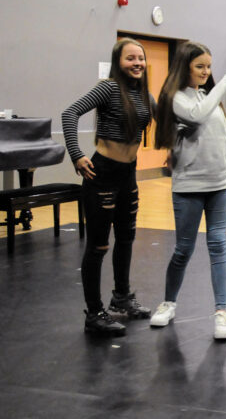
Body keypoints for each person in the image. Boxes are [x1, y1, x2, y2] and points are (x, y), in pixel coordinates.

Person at [148, 42, 226, 340]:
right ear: (185, 68)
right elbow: (196, 115)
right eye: (200, 67)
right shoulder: (175, 98)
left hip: (219, 187)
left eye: (209, 66)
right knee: (183, 250)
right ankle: (169, 303)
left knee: (218, 244)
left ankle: (221, 311)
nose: (207, 72)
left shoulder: (210, 98)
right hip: (189, 187)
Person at [62, 37, 156, 336]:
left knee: (126, 239)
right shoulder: (108, 88)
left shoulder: (143, 93)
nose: (137, 63)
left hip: (127, 174)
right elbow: (69, 113)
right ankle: (94, 313)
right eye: (130, 58)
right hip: (101, 174)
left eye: (140, 58)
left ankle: (122, 298)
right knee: (99, 245)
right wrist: (76, 155)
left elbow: (169, 117)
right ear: (119, 62)